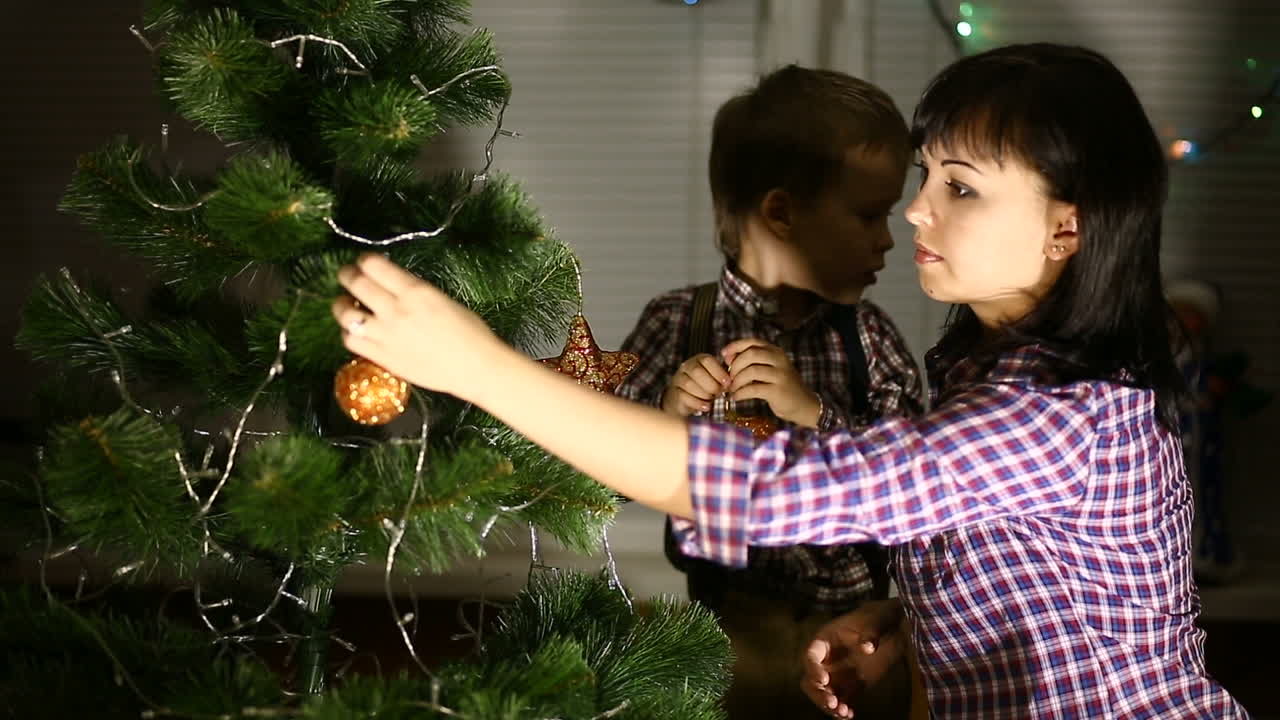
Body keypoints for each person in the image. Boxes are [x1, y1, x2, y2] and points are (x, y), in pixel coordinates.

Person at [331, 43, 1248, 719]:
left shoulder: (1056, 414)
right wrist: (905, 616)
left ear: (1068, 231)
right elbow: (1025, 551)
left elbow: (778, 489)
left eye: (960, 188)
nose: (919, 209)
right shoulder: (998, 367)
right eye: (926, 178)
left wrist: (477, 367)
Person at [612, 64, 923, 719]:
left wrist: (812, 411)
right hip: (725, 630)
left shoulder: (869, 336)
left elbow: (918, 483)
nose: (889, 238)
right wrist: (665, 422)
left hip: (857, 639)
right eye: (869, 214)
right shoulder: (678, 321)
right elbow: (602, 462)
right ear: (782, 211)